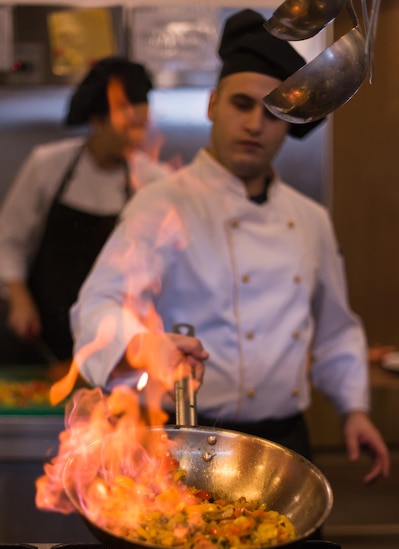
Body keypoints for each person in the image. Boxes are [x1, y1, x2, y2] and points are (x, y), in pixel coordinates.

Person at [70, 10, 390, 483]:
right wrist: (140, 345)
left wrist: (354, 409)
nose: (255, 125)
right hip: (188, 444)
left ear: (290, 123)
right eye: (242, 104)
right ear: (212, 104)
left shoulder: (310, 219)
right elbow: (96, 305)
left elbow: (336, 330)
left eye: (273, 112)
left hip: (286, 446)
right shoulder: (160, 204)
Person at [0, 56, 172, 366]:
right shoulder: (47, 164)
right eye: (128, 126)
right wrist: (19, 297)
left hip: (113, 342)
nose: (137, 137)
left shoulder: (153, 180)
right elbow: (9, 239)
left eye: (142, 126)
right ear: (97, 120)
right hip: (40, 333)